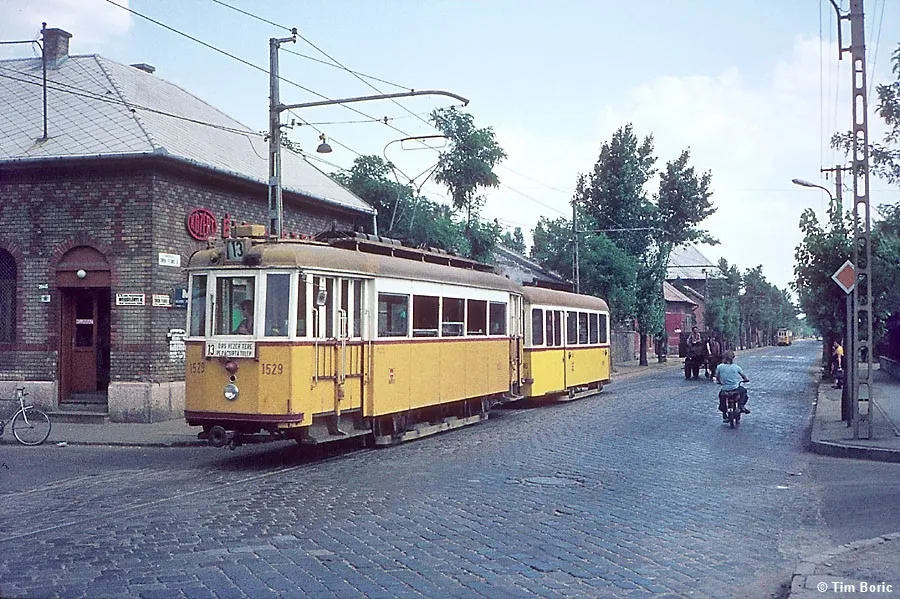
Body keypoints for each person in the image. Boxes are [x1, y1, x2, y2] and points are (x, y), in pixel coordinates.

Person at [714, 350, 750, 421]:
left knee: (721, 397)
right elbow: (744, 377)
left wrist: (719, 381)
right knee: (744, 391)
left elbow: (717, 376)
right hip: (735, 388)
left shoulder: (720, 367)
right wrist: (746, 380)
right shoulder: (736, 367)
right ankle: (741, 406)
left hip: (725, 389)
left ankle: (724, 412)